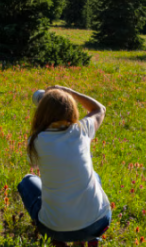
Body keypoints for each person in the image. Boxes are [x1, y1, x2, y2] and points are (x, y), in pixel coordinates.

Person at [17, 86, 110, 247]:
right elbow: (100, 109)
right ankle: (90, 239)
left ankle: (58, 241)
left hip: (56, 227)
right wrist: (70, 93)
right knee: (94, 177)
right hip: (99, 222)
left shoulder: (36, 140)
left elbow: (33, 164)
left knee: (27, 182)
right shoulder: (82, 129)